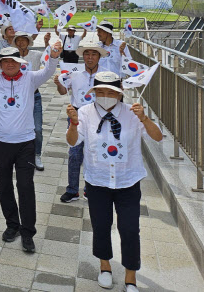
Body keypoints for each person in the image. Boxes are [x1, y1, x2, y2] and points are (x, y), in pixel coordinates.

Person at [66, 72, 162, 292]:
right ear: (94, 93)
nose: (106, 96)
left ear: (120, 93)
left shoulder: (132, 113)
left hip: (127, 180)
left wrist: (145, 119)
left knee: (129, 229)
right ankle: (105, 267)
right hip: (97, 180)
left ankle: (130, 277)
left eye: (111, 92)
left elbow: (157, 137)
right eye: (101, 91)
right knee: (101, 226)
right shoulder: (86, 113)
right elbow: (73, 142)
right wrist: (73, 124)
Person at [0, 40, 61, 253]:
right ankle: (12, 225)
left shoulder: (30, 78)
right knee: (4, 185)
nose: (9, 64)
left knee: (26, 187)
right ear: (0, 63)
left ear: (20, 62)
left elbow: (48, 71)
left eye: (13, 60)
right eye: (5, 60)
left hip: (25, 143)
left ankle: (28, 232)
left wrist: (54, 54)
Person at [53, 39, 108, 202]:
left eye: (94, 54)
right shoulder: (74, 74)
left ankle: (92, 188)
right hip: (77, 116)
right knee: (75, 153)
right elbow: (63, 92)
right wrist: (58, 83)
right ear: (83, 56)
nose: (90, 57)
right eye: (87, 54)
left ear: (99, 57)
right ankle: (72, 189)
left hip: (99, 116)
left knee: (96, 153)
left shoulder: (106, 75)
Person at [11, 30, 51, 172]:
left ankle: (37, 155)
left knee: (38, 129)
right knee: (17, 127)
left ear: (28, 42)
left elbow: (48, 61)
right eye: (18, 40)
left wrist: (47, 44)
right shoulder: (11, 57)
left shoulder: (35, 55)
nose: (21, 42)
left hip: (34, 96)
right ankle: (17, 154)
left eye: (24, 40)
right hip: (17, 98)